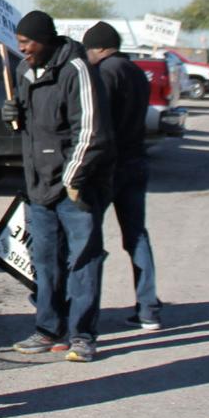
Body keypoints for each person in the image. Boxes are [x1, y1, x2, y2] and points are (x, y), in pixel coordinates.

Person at [2, 10, 113, 362]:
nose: (23, 50)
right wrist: (13, 116)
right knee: (44, 261)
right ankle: (48, 328)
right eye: (19, 43)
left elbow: (92, 130)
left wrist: (72, 179)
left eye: (27, 43)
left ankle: (82, 335)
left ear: (46, 40)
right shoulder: (22, 71)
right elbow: (29, 127)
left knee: (83, 260)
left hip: (75, 187)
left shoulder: (76, 69)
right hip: (39, 185)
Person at [82, 21, 162, 330]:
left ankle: (87, 311)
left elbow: (99, 124)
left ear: (99, 48)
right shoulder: (137, 72)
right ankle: (148, 308)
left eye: (88, 49)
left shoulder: (104, 73)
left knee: (89, 239)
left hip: (109, 168)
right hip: (137, 162)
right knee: (137, 236)